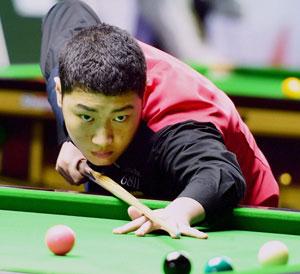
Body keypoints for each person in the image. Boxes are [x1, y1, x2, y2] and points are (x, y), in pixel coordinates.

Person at [40, 0, 278, 238]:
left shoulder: (176, 121)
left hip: (227, 216)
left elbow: (220, 174)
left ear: (143, 95)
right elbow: (68, 9)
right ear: (61, 93)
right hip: (137, 193)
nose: (102, 139)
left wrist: (178, 211)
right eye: (86, 116)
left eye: (121, 117)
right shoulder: (71, 61)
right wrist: (67, 137)